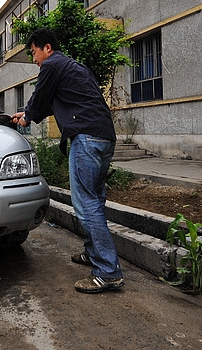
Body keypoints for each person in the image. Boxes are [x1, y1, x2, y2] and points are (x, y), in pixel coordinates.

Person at [11, 27, 123, 293]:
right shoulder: (74, 67)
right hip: (104, 137)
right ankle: (93, 254)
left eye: (34, 53)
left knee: (86, 205)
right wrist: (27, 113)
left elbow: (39, 99)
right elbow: (52, 103)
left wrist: (27, 116)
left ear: (47, 48)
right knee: (94, 200)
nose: (34, 59)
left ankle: (108, 272)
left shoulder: (51, 65)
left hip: (87, 139)